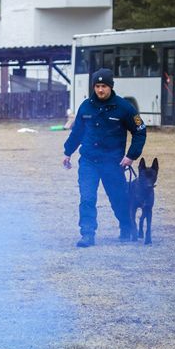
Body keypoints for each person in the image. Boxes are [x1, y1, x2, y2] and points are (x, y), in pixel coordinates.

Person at [62, 67, 146, 248]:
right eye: (97, 86)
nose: (100, 90)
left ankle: (126, 227)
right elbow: (77, 133)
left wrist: (131, 156)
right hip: (89, 161)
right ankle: (87, 234)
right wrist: (68, 152)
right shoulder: (85, 106)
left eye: (104, 86)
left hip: (113, 163)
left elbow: (140, 131)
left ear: (111, 86)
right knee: (87, 198)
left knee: (118, 198)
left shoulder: (124, 107)